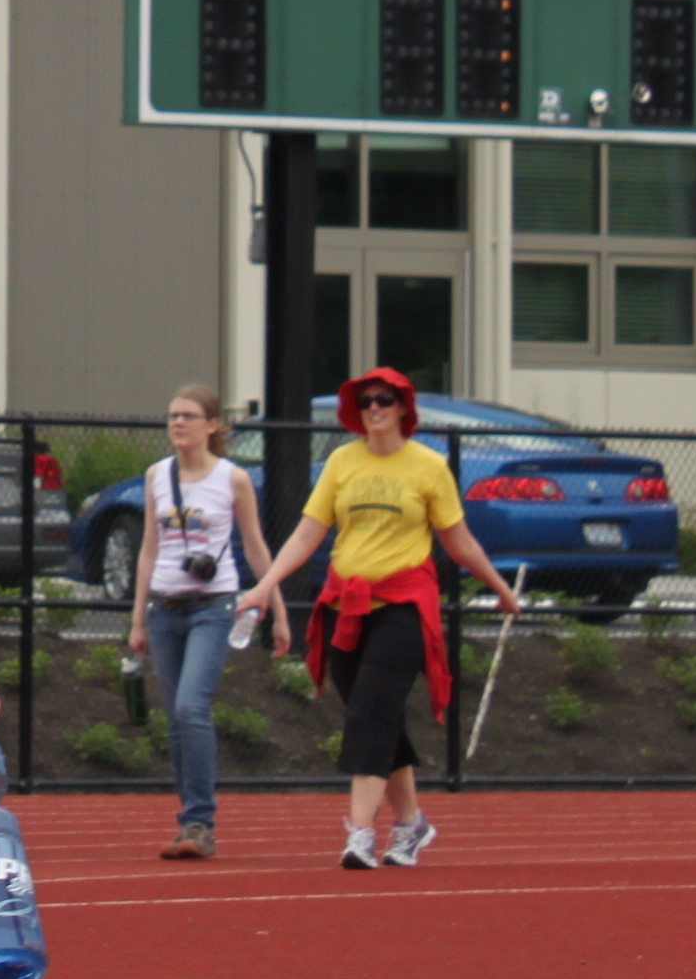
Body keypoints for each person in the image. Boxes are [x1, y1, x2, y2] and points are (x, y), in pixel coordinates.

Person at [238, 368, 516, 872]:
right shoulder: (342, 461)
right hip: (347, 605)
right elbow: (306, 534)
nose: (373, 408)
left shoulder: (428, 467)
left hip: (405, 604)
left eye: (383, 399)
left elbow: (459, 542)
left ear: (403, 407)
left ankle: (360, 832)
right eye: (365, 400)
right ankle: (411, 823)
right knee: (374, 715)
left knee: (369, 712)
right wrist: (264, 586)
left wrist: (499, 588)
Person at [123, 384, 269, 859]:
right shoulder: (157, 476)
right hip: (165, 607)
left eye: (188, 415)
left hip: (213, 606)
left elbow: (254, 546)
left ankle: (200, 821)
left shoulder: (233, 479)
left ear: (212, 425)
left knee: (190, 707)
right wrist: (138, 619)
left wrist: (275, 608)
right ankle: (190, 822)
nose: (177, 423)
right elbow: (149, 549)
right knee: (174, 720)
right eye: (172, 415)